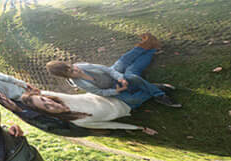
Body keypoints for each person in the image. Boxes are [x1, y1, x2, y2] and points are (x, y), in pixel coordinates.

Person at [46, 33, 180, 109]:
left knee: (125, 63)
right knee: (132, 99)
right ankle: (156, 87)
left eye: (71, 66)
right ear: (66, 76)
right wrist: (117, 91)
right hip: (112, 88)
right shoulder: (79, 83)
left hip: (113, 73)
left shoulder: (80, 65)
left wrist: (120, 77)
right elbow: (100, 92)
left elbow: (105, 69)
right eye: (70, 72)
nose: (74, 69)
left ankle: (159, 94)